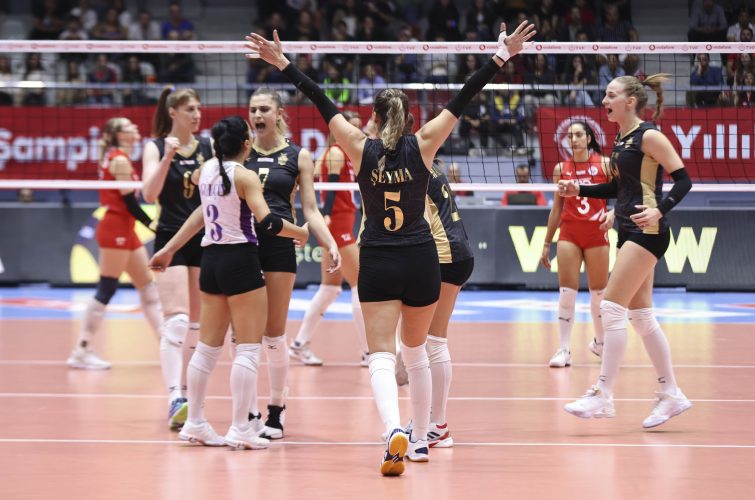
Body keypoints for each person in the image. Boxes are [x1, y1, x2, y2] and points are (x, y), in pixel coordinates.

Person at [245, 19, 535, 475]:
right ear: (409, 118)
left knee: (381, 355)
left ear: (375, 118)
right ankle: (419, 440)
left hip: (378, 256)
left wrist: (283, 63)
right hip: (421, 257)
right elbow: (464, 95)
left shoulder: (359, 147)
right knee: (416, 353)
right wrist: (502, 54)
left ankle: (392, 430)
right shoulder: (425, 144)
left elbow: (320, 98)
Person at [149, 115, 309, 449]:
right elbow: (268, 222)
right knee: (248, 348)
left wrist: (168, 248)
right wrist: (300, 232)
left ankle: (195, 423)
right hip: (240, 261)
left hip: (211, 262)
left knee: (206, 349)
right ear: (246, 145)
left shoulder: (205, 171)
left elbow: (200, 215)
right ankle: (240, 429)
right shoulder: (245, 176)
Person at [558, 74, 693, 428]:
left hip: (648, 231)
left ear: (630, 101)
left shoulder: (649, 136)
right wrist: (579, 190)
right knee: (641, 317)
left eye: (610, 95)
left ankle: (603, 394)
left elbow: (684, 180)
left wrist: (660, 210)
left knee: (611, 308)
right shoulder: (621, 138)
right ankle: (671, 393)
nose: (604, 101)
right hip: (629, 229)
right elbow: (619, 187)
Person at [242, 87, 341, 440]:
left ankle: (276, 408)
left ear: (280, 113)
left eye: (264, 109)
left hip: (279, 247)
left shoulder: (298, 156)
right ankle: (248, 413)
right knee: (243, 337)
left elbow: (310, 209)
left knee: (273, 335)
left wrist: (329, 242)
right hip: (243, 244)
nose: (257, 115)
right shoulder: (241, 151)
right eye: (253, 109)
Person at [67, 117, 162, 369]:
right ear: (120, 135)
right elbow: (130, 204)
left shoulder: (119, 157)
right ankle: (82, 350)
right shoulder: (119, 160)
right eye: (129, 127)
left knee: (148, 289)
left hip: (126, 230)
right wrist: (154, 226)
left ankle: (167, 345)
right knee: (107, 288)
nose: (135, 128)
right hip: (115, 228)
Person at [142, 87, 212, 430]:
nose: (196, 115)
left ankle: (192, 396)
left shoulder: (209, 147)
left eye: (198, 108)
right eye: (189, 109)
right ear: (173, 113)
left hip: (204, 235)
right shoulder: (155, 147)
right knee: (177, 321)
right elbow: (148, 193)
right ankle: (174, 397)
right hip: (170, 236)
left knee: (198, 326)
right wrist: (168, 156)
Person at [403, 158, 475, 448]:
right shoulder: (426, 164)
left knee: (433, 341)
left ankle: (438, 425)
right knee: (432, 341)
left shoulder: (414, 170)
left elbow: (417, 224)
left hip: (447, 256)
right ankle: (429, 420)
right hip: (456, 253)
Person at [289, 110, 369, 366]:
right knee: (360, 285)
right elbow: (331, 189)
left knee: (330, 288)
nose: (356, 131)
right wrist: (325, 216)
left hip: (340, 222)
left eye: (358, 127)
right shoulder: (335, 152)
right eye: (351, 126)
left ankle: (299, 344)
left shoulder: (343, 152)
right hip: (337, 223)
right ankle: (369, 351)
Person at [540, 121, 613, 368]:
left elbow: (621, 192)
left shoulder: (604, 164)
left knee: (599, 294)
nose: (574, 139)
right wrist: (546, 243)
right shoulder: (561, 169)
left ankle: (601, 343)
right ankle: (564, 349)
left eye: (579, 135)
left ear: (589, 138)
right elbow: (556, 209)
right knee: (566, 293)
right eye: (570, 136)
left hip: (596, 232)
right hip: (570, 233)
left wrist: (613, 213)